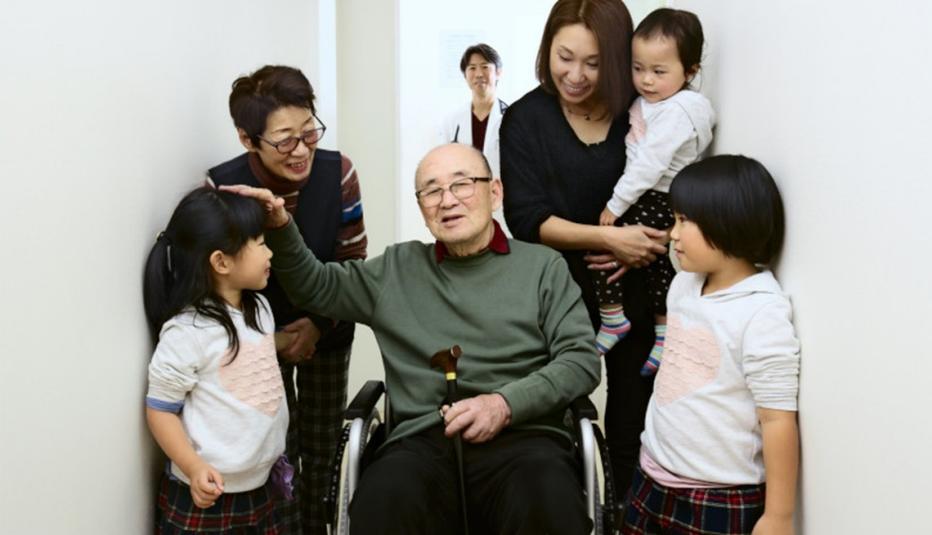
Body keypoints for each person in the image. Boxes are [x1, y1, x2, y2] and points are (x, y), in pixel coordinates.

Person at [226, 143, 600, 535]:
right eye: (432, 191)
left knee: (547, 499)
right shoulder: (397, 268)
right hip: (422, 443)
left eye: (462, 184)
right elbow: (315, 287)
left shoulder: (543, 267)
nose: (447, 200)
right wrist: (283, 226)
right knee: (384, 498)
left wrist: (504, 404)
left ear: (496, 192)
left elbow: (580, 360)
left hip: (524, 437)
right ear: (421, 208)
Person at [499, 0, 667, 496]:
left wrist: (644, 243)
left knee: (631, 427)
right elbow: (525, 219)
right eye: (564, 57)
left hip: (636, 288)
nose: (574, 75)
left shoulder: (641, 110)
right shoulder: (526, 120)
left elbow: (669, 183)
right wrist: (608, 238)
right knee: (549, 428)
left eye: (593, 63)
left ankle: (620, 515)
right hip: (551, 295)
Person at [207, 65, 367, 534]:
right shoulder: (222, 188)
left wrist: (317, 324)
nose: (302, 150)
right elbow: (219, 285)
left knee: (321, 450)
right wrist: (271, 340)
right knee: (274, 446)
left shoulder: (339, 173)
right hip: (256, 342)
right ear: (246, 138)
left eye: (309, 132)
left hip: (328, 327)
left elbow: (352, 262)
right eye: (284, 140)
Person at [621, 155, 800, 535]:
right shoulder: (684, 283)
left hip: (715, 494)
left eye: (684, 221)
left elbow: (777, 418)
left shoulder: (761, 311)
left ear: (729, 223)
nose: (673, 233)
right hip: (652, 469)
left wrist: (779, 516)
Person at [143, 187, 289, 534]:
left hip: (259, 486)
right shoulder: (188, 332)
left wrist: (286, 341)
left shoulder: (259, 308)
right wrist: (192, 467)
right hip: (208, 495)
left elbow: (245, 352)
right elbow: (160, 409)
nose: (270, 252)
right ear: (221, 261)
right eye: (260, 242)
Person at [593, 8, 715, 375]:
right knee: (656, 268)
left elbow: (649, 164)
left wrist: (615, 206)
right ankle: (658, 332)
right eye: (638, 67)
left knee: (611, 246)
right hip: (652, 194)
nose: (646, 80)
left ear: (690, 71)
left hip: (656, 196)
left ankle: (621, 320)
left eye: (659, 72)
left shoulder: (678, 111)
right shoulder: (656, 102)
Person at [437, 43, 510, 234]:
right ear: (465, 76)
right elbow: (443, 167)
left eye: (485, 67)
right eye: (472, 68)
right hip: (463, 204)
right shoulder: (452, 122)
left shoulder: (513, 119)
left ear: (498, 72)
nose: (479, 74)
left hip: (503, 204)